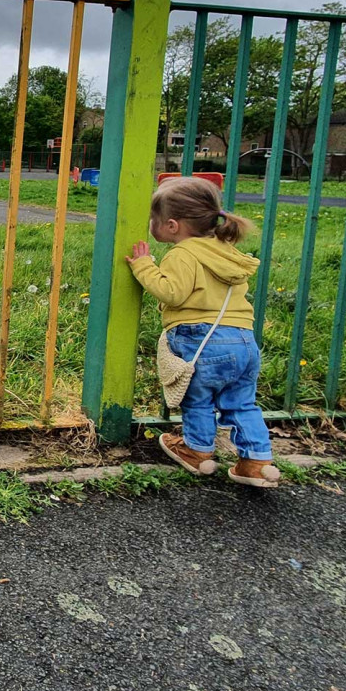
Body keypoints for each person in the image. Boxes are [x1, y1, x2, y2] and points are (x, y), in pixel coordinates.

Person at [126, 176, 280, 488]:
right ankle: (257, 462)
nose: (151, 225)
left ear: (172, 226)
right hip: (243, 340)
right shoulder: (224, 250)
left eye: (153, 220)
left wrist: (144, 266)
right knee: (241, 403)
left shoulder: (183, 253)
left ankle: (198, 452)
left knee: (198, 400)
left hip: (203, 340)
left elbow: (173, 293)